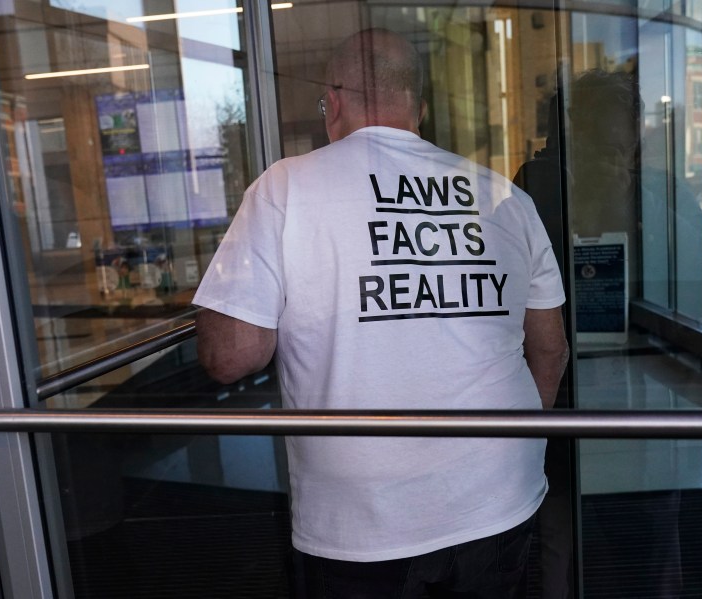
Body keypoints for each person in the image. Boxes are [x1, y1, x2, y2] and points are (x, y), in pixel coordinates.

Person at [193, 28, 569, 598]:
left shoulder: (285, 188)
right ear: (417, 108)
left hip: (364, 516)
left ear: (334, 102)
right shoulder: (503, 197)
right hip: (500, 492)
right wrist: (510, 446)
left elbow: (232, 356)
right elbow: (550, 346)